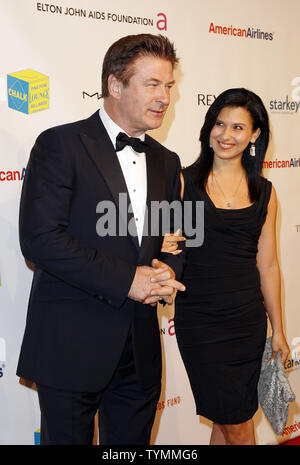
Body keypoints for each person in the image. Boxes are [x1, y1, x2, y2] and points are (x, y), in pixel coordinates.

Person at [17, 34, 186, 445]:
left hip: (140, 354)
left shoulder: (168, 161)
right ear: (114, 85)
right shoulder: (61, 144)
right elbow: (40, 239)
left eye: (169, 85)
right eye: (152, 84)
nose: (164, 97)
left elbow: (175, 239)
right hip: (71, 344)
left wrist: (168, 271)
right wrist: (130, 279)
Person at [171, 88, 290, 445]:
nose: (226, 135)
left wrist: (279, 329)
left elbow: (267, 266)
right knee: (235, 424)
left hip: (246, 324)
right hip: (201, 323)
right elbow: (165, 245)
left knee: (229, 423)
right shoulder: (181, 183)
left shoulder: (265, 193)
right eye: (219, 124)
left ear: (254, 135)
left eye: (238, 127)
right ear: (208, 128)